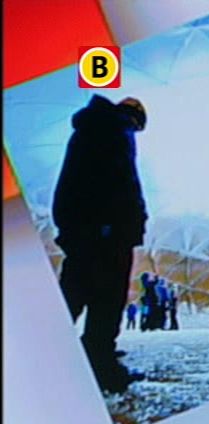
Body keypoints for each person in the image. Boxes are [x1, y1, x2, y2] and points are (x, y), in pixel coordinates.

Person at [51, 95, 148, 394]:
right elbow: (122, 181)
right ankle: (102, 366)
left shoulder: (91, 128)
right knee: (107, 299)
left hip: (83, 229)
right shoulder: (117, 130)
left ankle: (47, 353)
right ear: (134, 118)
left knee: (74, 292)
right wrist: (125, 223)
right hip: (106, 233)